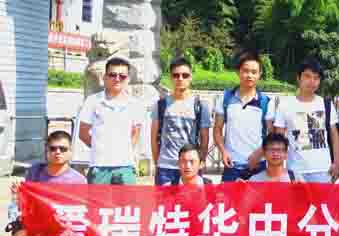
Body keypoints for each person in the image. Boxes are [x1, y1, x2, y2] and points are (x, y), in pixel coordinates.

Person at [10, 131, 90, 236]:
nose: (57, 152)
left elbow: (85, 213)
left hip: (67, 229)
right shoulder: (34, 172)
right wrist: (17, 201)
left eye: (63, 148)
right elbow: (23, 205)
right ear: (46, 150)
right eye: (53, 148)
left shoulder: (78, 179)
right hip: (41, 232)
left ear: (71, 152)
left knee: (87, 232)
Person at [248, 133, 305, 236]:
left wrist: (302, 192)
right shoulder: (255, 180)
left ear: (286, 154)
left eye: (280, 150)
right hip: (265, 229)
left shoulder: (294, 177)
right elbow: (247, 210)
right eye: (271, 150)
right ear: (264, 153)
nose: (275, 154)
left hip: (289, 229)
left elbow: (307, 206)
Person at [169, 143, 228, 236]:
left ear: (201, 164)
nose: (187, 166)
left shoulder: (209, 186)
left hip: (202, 233)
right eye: (183, 161)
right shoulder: (169, 187)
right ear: (178, 164)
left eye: (192, 161)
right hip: (180, 234)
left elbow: (219, 214)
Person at [274, 58, 339, 183]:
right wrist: (279, 167)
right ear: (299, 78)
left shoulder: (326, 104)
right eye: (307, 76)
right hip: (295, 170)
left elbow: (334, 135)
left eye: (316, 78)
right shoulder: (285, 105)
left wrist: (336, 162)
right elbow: (278, 139)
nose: (312, 81)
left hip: (323, 170)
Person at [78, 57, 143, 185]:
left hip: (125, 167)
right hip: (99, 167)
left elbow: (136, 133)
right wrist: (100, 147)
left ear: (128, 79)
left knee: (127, 199)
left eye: (122, 76)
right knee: (98, 199)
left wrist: (122, 150)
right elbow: (83, 133)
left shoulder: (135, 104)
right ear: (104, 77)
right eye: (112, 75)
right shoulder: (92, 101)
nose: (117, 79)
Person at [150, 57, 212, 186]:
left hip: (190, 166)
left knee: (191, 200)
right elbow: (154, 137)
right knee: (164, 200)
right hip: (166, 167)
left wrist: (199, 163)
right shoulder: (160, 105)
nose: (180, 79)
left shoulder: (200, 105)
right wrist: (158, 162)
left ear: (191, 77)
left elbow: (204, 138)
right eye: (176, 75)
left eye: (185, 75)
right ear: (171, 78)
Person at [214, 51, 273, 182]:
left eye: (254, 72)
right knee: (227, 196)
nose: (249, 75)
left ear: (260, 74)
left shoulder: (266, 102)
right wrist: (223, 152)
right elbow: (217, 129)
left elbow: (271, 134)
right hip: (232, 165)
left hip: (258, 165)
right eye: (245, 71)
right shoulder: (225, 99)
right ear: (238, 72)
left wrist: (259, 153)